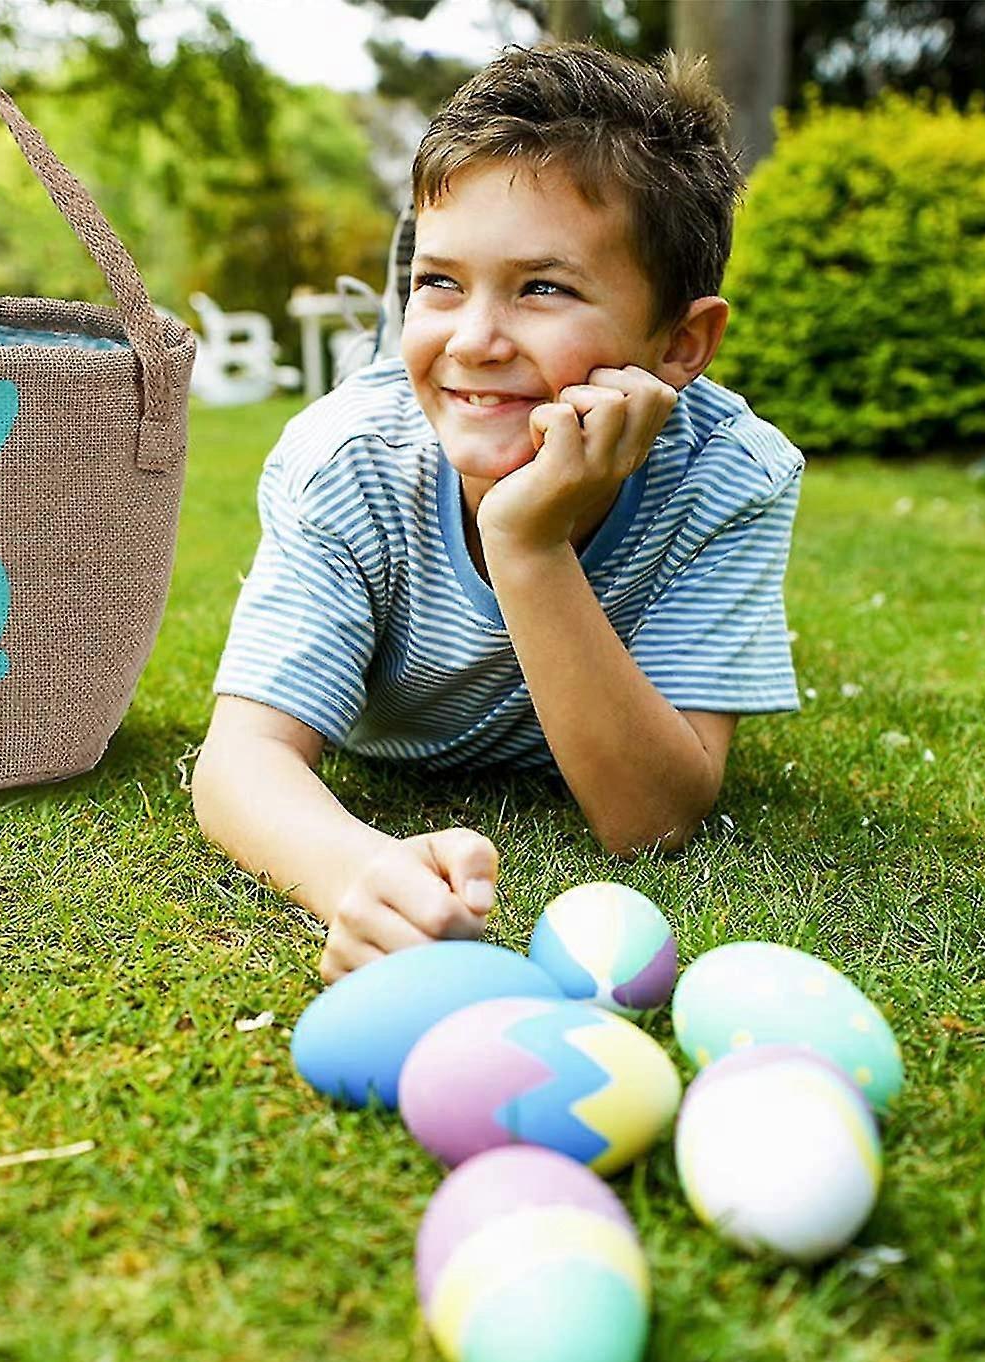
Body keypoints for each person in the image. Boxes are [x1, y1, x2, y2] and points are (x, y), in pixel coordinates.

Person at [191, 42, 803, 984]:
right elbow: (242, 763)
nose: (473, 341)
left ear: (683, 343)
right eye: (440, 282)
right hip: (386, 737)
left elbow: (655, 820)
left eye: (543, 288)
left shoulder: (732, 475)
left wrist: (528, 540)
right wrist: (356, 871)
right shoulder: (347, 460)